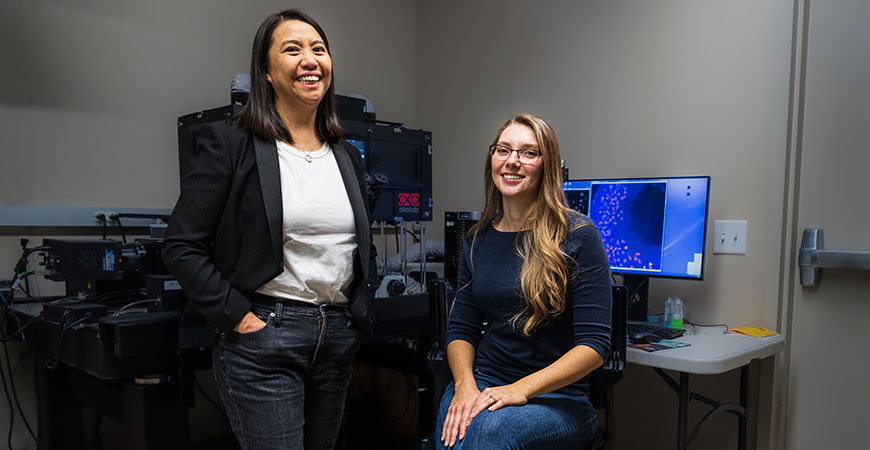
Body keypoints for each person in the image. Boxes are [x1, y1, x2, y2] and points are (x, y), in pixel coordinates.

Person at [162, 8, 376, 450]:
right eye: (292, 49)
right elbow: (182, 245)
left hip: (335, 336)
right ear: (267, 71)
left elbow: (354, 249)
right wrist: (239, 317)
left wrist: (354, 318)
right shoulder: (230, 143)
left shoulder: (346, 157)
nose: (310, 59)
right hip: (267, 336)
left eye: (319, 49)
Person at [436, 114, 612, 449]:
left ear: (547, 166)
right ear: (492, 159)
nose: (512, 161)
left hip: (559, 398)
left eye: (528, 153)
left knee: (489, 434)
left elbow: (595, 346)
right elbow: (461, 329)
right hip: (484, 382)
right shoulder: (477, 240)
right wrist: (464, 386)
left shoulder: (578, 236)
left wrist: (521, 389)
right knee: (456, 434)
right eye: (504, 150)